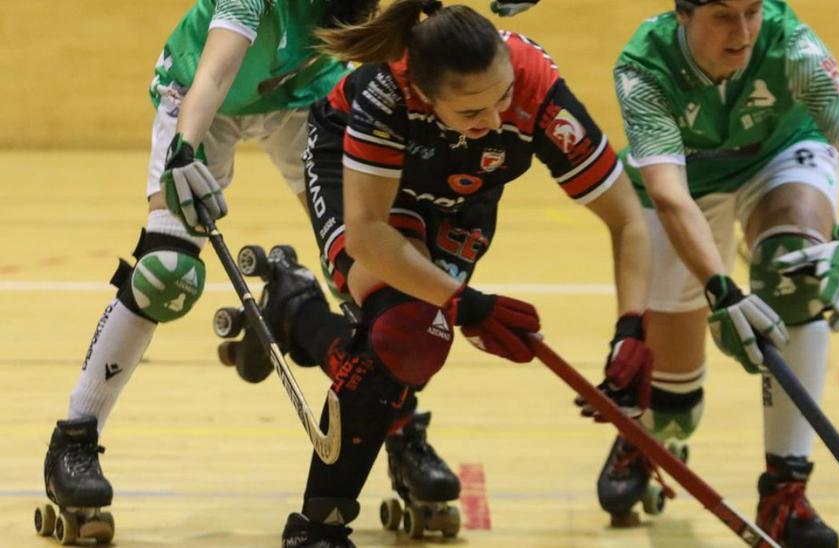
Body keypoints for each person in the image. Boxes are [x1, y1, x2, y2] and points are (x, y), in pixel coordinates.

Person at [236, 1, 654, 545]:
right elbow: (368, 235)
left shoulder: (535, 87)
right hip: (363, 185)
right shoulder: (387, 94)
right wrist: (465, 302)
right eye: (473, 112)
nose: (498, 119)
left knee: (405, 343)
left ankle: (301, 314)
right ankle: (319, 526)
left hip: (461, 195)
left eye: (503, 96)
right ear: (426, 96)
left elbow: (627, 217)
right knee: (408, 332)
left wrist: (632, 329)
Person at [35, 0, 377, 544]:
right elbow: (216, 71)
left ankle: (400, 431)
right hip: (203, 97)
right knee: (165, 271)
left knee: (366, 264)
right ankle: (74, 440)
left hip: (305, 96)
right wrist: (183, 152)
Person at [594, 0, 839, 546]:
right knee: (674, 410)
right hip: (686, 182)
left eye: (752, 11)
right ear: (682, 15)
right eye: (721, 16)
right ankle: (649, 433)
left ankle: (785, 490)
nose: (743, 33)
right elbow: (669, 195)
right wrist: (723, 291)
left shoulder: (793, 47)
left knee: (796, 274)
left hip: (777, 156)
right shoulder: (644, 67)